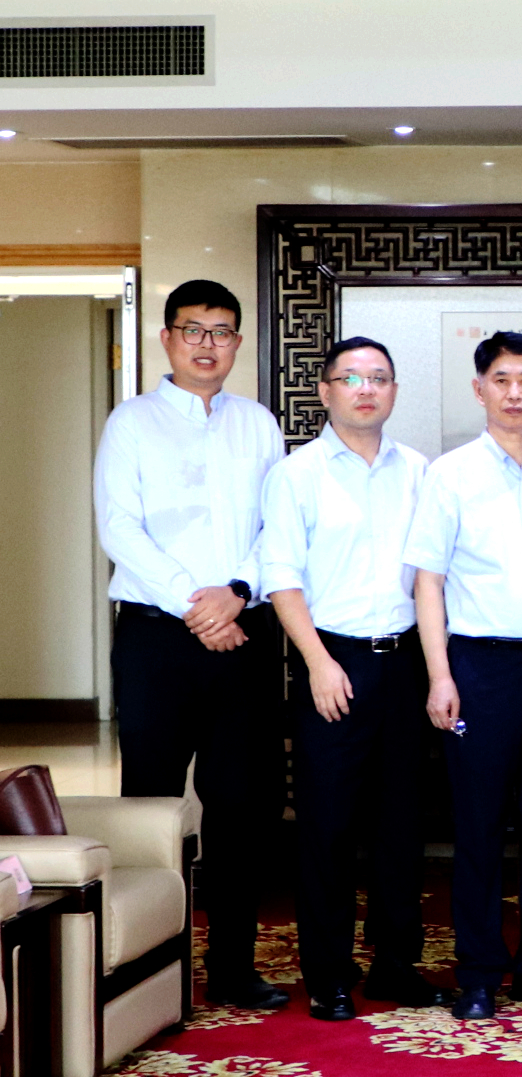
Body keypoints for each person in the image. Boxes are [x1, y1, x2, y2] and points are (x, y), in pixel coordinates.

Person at [94, 278, 289, 1008]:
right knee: (149, 799)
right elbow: (120, 527)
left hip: (245, 634)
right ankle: (150, 967)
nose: (208, 344)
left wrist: (236, 591)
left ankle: (233, 966)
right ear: (168, 338)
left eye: (222, 331)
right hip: (157, 640)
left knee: (243, 804)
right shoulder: (131, 423)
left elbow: (278, 527)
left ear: (237, 342)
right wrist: (196, 603)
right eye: (193, 330)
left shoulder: (258, 423)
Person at [404, 331, 522, 1021]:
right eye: (502, 379)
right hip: (479, 667)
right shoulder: (450, 474)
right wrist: (440, 675)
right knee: (479, 823)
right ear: (480, 388)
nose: (515, 392)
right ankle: (479, 973)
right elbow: (427, 582)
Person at [260, 336, 449, 1021]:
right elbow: (281, 577)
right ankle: (329, 973)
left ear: (393, 390)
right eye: (351, 377)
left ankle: (396, 964)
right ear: (325, 390)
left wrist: (435, 671)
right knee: (328, 826)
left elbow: (432, 575)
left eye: (379, 378)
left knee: (402, 825)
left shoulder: (419, 471)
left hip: (404, 660)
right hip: (331, 659)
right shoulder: (296, 474)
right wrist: (316, 662)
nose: (366, 389)